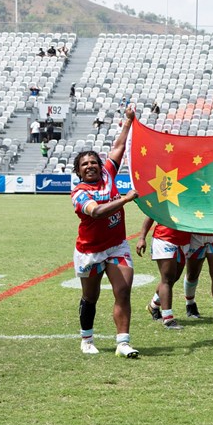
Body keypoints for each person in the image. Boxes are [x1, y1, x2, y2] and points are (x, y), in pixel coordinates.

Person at [71, 106, 140, 357]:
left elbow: (119, 148)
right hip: (89, 251)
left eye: (93, 162)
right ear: (78, 171)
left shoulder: (109, 173)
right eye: (84, 164)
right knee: (91, 297)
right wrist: (125, 200)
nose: (90, 166)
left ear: (101, 166)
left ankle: (123, 343)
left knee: (123, 291)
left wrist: (128, 122)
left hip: (116, 246)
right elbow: (97, 212)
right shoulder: (79, 193)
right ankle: (86, 339)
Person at [137, 218, 192, 329]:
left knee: (174, 278)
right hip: (164, 238)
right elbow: (150, 214)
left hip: (184, 240)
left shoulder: (191, 199)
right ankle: (168, 318)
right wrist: (142, 238)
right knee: (167, 279)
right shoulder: (164, 200)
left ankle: (153, 305)